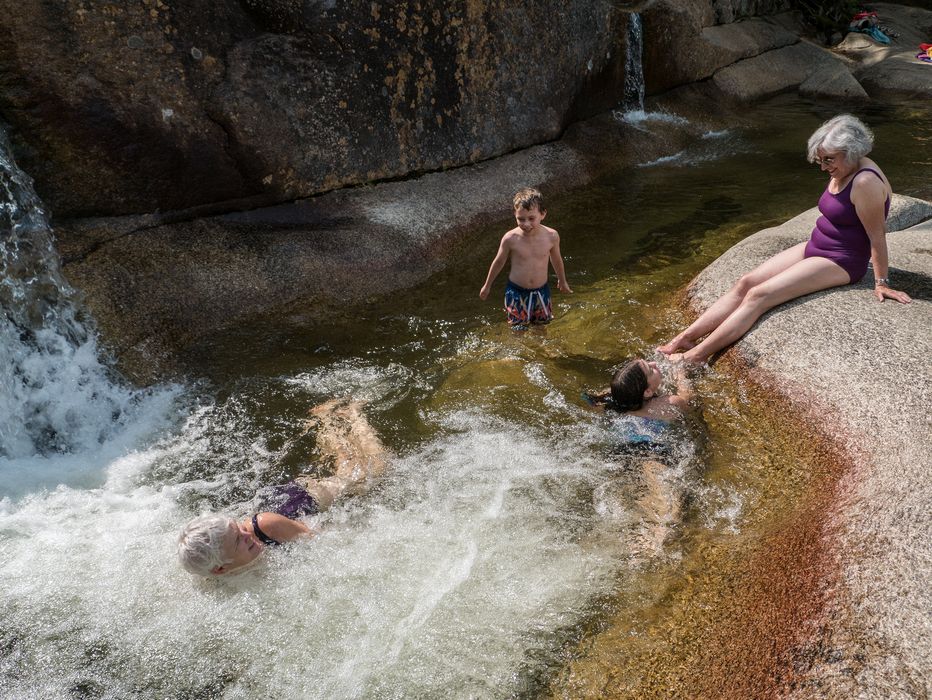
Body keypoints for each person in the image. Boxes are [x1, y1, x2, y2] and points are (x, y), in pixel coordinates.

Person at [658, 114, 911, 365]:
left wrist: (881, 283)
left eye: (828, 160)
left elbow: (877, 236)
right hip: (817, 245)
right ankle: (686, 338)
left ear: (851, 151)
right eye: (820, 160)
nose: (823, 167)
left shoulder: (865, 182)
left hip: (841, 260)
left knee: (759, 295)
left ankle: (695, 356)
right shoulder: (846, 166)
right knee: (745, 282)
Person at [177, 398, 386, 577]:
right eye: (238, 540)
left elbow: (319, 537)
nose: (246, 533)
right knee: (349, 465)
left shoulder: (266, 526)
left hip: (298, 500)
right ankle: (328, 421)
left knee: (367, 471)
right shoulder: (207, 572)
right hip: (274, 504)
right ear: (220, 570)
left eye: (238, 528)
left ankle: (349, 414)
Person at [586, 357, 695, 555]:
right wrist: (681, 373)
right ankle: (652, 546)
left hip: (618, 453)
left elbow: (592, 400)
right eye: (650, 370)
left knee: (621, 499)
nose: (655, 365)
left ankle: (624, 541)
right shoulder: (667, 404)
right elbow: (689, 400)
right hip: (651, 452)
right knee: (668, 506)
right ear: (647, 392)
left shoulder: (611, 400)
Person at [479, 187, 572, 328]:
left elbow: (557, 260)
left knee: (541, 326)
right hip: (517, 291)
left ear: (543, 214)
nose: (526, 224)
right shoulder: (510, 238)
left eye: (531, 218)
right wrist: (487, 285)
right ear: (515, 215)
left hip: (541, 291)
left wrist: (562, 280)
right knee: (518, 329)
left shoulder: (551, 236)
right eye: (521, 219)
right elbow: (499, 261)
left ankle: (540, 349)